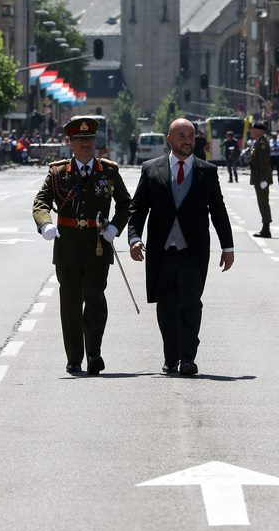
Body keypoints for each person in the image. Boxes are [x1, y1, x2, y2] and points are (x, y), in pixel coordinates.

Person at [127, 118, 234, 376]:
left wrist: (227, 247)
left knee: (190, 304)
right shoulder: (151, 169)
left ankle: (188, 358)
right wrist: (134, 238)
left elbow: (218, 211)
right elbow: (138, 208)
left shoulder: (207, 172)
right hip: (161, 252)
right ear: (170, 139)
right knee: (166, 307)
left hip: (193, 252)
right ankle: (170, 357)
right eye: (182, 135)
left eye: (191, 135)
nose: (188, 140)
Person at [31, 116, 132, 375]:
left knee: (95, 299)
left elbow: (125, 204)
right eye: (80, 140)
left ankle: (94, 353)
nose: (86, 144)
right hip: (68, 248)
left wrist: (115, 228)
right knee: (71, 303)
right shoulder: (57, 173)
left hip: (98, 245)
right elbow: (41, 202)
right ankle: (74, 357)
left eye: (89, 140)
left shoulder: (108, 171)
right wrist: (45, 224)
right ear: (71, 143)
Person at [248, 121, 273, 238]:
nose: (252, 131)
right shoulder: (257, 142)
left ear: (260, 131)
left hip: (261, 178)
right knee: (261, 203)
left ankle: (266, 229)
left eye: (254, 130)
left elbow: (264, 163)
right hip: (258, 177)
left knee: (263, 203)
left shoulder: (262, 143)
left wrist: (264, 180)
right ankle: (265, 228)